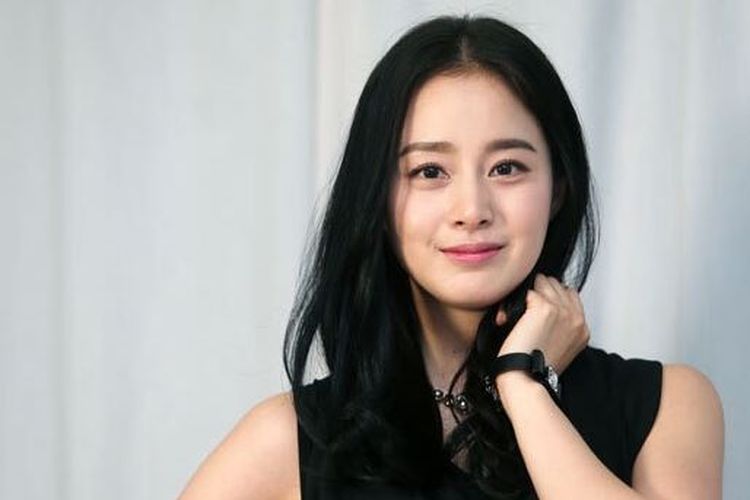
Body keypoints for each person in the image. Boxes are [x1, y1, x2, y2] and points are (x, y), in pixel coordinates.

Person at [180, 14, 724, 499]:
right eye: (429, 172)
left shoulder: (668, 406)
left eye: (507, 168)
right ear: (377, 197)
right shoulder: (289, 440)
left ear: (558, 187)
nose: (471, 210)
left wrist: (524, 385)